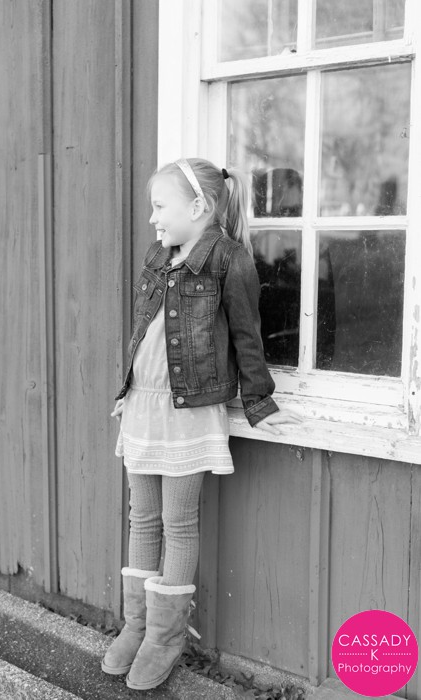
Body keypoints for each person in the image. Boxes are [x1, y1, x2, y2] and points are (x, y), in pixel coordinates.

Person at [101, 157, 303, 690]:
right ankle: (139, 625)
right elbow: (145, 330)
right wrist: (129, 391)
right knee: (140, 517)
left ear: (199, 207)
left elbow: (247, 335)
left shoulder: (227, 260)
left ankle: (166, 636)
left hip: (189, 409)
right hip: (144, 406)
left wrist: (258, 399)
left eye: (160, 206)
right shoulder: (159, 255)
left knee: (176, 520)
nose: (153, 218)